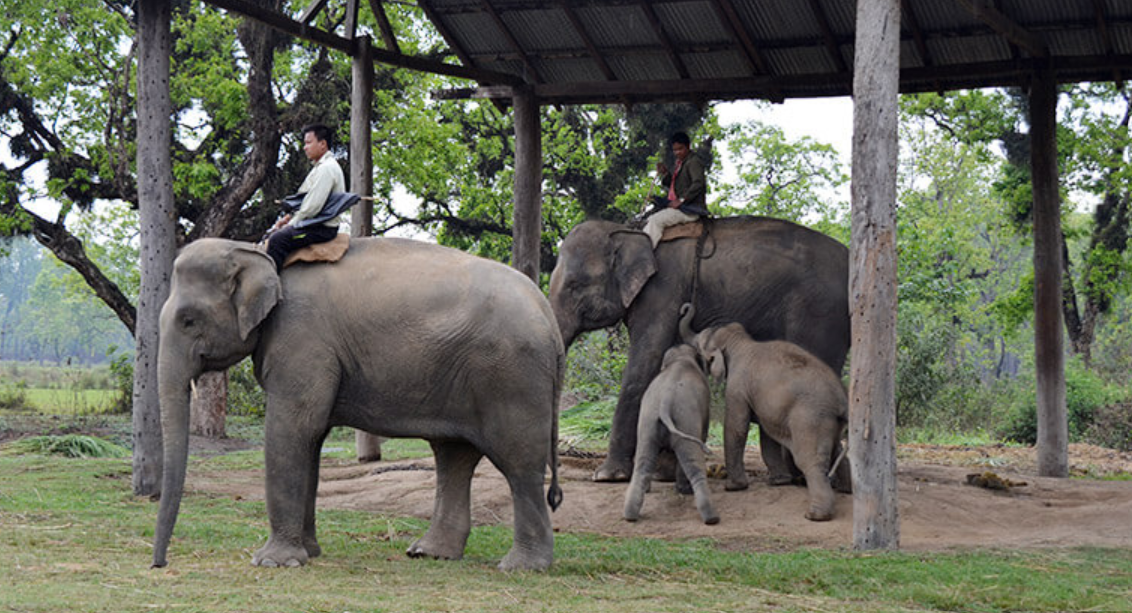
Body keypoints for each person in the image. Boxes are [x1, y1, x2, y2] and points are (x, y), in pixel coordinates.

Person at [265, 123, 346, 270]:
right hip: (313, 223)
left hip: (321, 228)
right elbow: (303, 202)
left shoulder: (327, 169)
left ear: (322, 144)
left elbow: (312, 207)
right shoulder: (319, 167)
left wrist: (291, 225)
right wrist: (287, 219)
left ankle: (270, 286)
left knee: (278, 240)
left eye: (308, 143)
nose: (305, 147)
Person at [642, 131, 709, 248]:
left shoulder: (694, 162)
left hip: (690, 210)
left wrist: (681, 200)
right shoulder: (680, 163)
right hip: (683, 207)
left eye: (680, 149)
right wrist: (666, 173)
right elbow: (675, 185)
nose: (677, 153)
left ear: (688, 147)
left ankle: (643, 253)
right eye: (675, 150)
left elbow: (698, 183)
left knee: (655, 221)